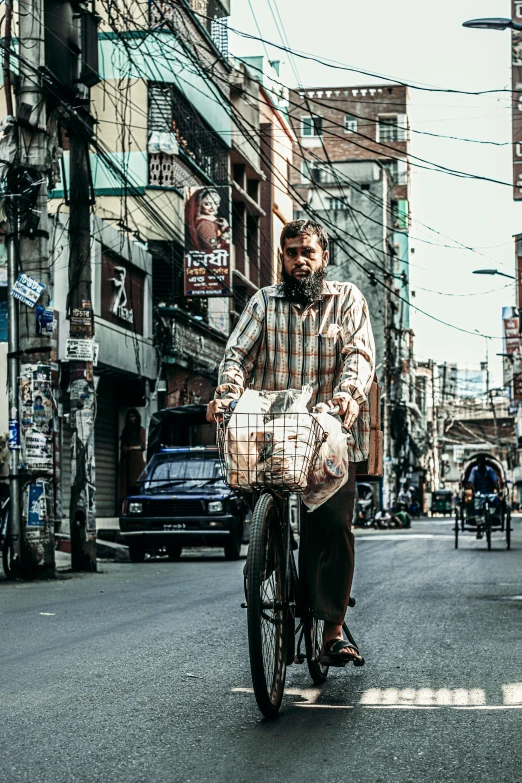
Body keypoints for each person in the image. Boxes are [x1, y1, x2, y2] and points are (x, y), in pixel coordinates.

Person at [207, 219, 375, 665]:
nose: (299, 261)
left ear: (324, 258)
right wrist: (226, 392)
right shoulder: (264, 302)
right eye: (290, 253)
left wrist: (348, 397)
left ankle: (332, 631)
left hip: (329, 434)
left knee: (333, 525)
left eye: (308, 253)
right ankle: (266, 555)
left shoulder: (347, 300)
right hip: (272, 432)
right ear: (282, 259)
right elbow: (237, 355)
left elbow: (359, 356)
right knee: (258, 500)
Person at [186, 188, 230, 253]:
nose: (213, 207)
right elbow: (213, 248)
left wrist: (226, 228)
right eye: (207, 204)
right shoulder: (205, 224)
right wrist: (224, 236)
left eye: (216, 203)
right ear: (199, 205)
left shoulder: (215, 220)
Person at [469, 455, 499, 539]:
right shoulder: (474, 470)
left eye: (482, 463)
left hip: (489, 492)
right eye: (479, 463)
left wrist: (498, 489)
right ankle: (479, 530)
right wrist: (473, 491)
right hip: (479, 492)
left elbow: (495, 480)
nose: (480, 465)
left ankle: (491, 518)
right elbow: (472, 481)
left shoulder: (490, 470)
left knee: (496, 501)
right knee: (477, 507)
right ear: (477, 463)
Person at [119, 408, 146, 500]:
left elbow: (143, 446)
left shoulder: (140, 430)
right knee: (126, 483)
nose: (131, 419)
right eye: (129, 417)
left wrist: (130, 448)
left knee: (136, 483)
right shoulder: (125, 430)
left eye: (133, 416)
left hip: (136, 460)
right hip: (126, 460)